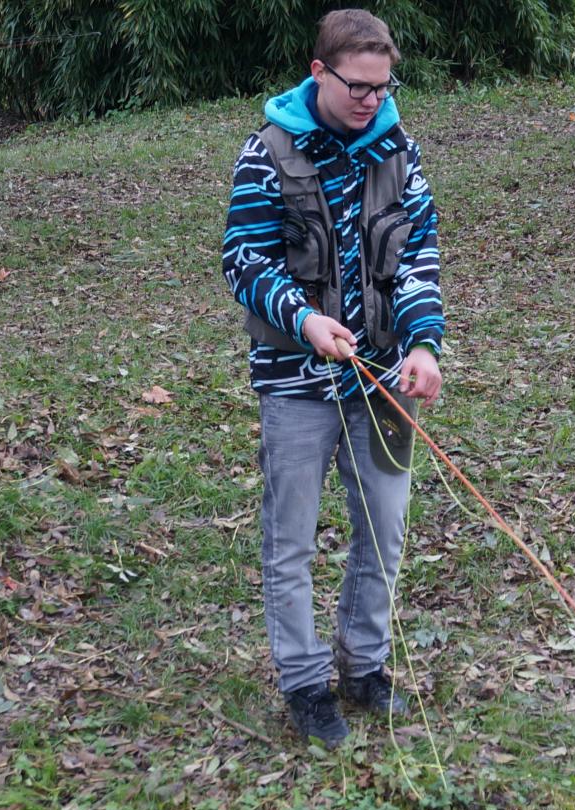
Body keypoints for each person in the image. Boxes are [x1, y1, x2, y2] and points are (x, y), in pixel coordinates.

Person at [222, 9, 444, 749]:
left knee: (384, 528)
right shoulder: (267, 152)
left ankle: (365, 671)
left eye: (382, 88)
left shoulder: (400, 153)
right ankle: (304, 685)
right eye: (357, 87)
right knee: (290, 541)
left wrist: (423, 345)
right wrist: (303, 320)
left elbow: (416, 258)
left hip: (382, 380)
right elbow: (244, 261)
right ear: (319, 73)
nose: (370, 101)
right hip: (293, 381)